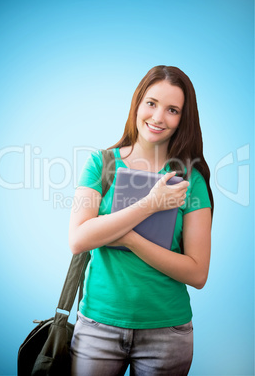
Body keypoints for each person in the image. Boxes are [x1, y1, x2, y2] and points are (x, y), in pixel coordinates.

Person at [68, 65, 214, 376]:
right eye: (151, 103)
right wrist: (151, 204)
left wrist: (127, 238)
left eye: (172, 110)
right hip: (98, 326)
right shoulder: (100, 164)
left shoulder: (191, 180)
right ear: (137, 104)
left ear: (182, 119)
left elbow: (198, 272)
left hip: (167, 333)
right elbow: (78, 239)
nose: (159, 117)